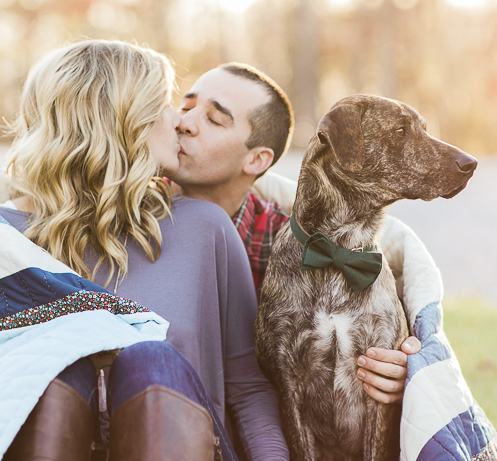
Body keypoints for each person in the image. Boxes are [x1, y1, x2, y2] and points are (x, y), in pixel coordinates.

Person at [0, 41, 287, 461]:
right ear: (122, 120)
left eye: (206, 116)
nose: (180, 120)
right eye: (169, 104)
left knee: (153, 359)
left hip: (176, 443)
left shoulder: (203, 228)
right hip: (48, 442)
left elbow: (247, 388)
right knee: (50, 372)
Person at [169, 62, 432, 406]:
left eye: (214, 120)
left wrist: (401, 371)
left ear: (257, 161)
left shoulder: (294, 245)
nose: (184, 123)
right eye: (185, 107)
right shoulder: (120, 210)